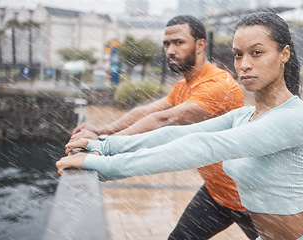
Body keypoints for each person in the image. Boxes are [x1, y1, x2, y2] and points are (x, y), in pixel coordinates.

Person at [57, 12, 303, 240]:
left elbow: (203, 146)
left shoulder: (295, 117)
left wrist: (104, 166)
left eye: (257, 53)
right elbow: (178, 132)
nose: (244, 64)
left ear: (283, 54)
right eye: (238, 54)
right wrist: (104, 145)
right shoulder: (245, 115)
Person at [69, 15, 258, 240]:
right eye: (166, 44)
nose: (169, 50)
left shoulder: (218, 85)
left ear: (200, 45)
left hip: (251, 197)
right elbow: (148, 111)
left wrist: (104, 145)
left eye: (178, 42)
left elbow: (165, 119)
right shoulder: (184, 86)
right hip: (216, 193)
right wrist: (103, 131)